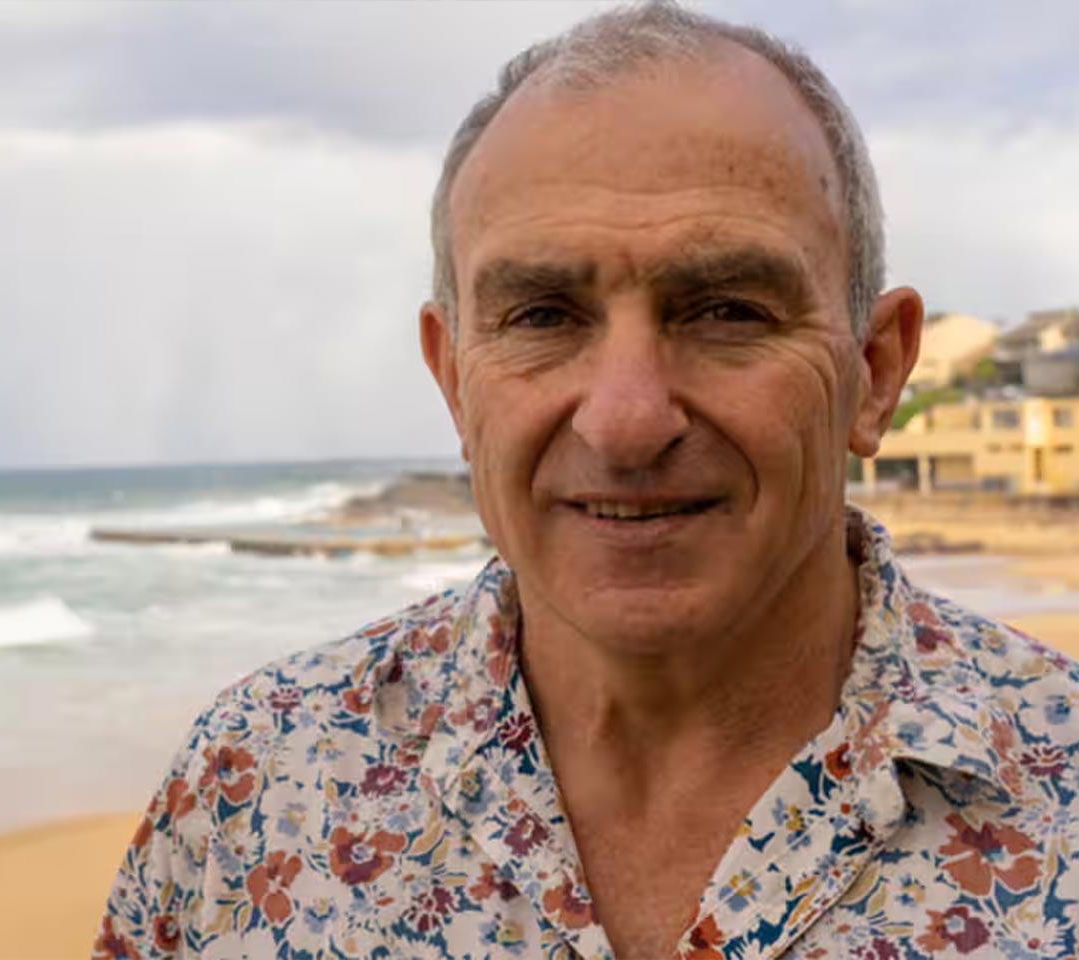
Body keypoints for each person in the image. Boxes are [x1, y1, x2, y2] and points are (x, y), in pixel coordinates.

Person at [95, 3, 1079, 957]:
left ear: (874, 372)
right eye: (541, 317)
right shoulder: (256, 786)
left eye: (728, 310)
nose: (625, 420)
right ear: (453, 379)